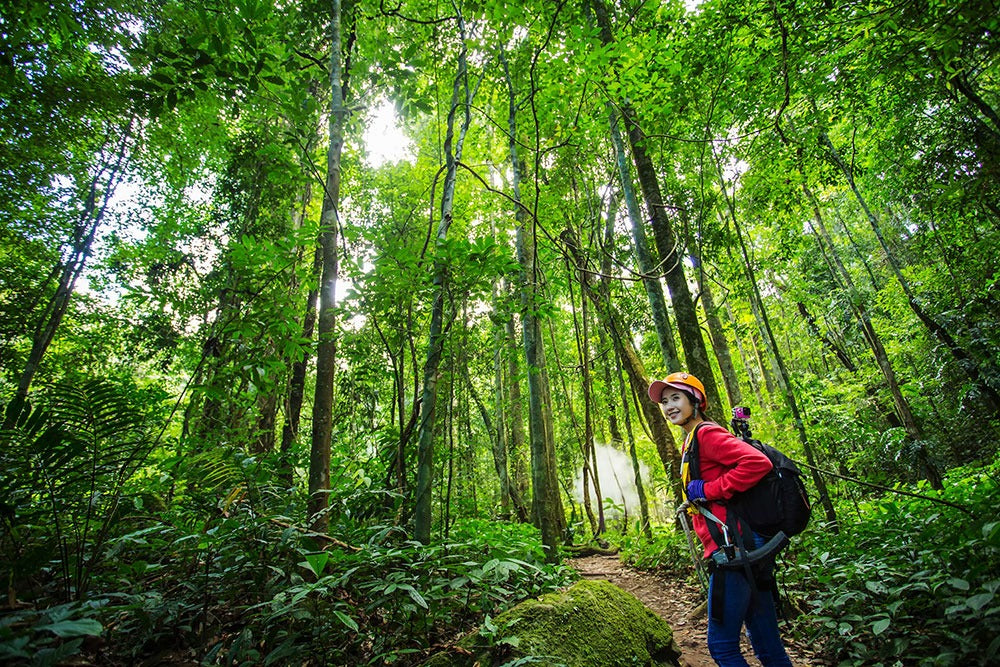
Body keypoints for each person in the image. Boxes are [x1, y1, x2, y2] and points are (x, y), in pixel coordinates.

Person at [649, 372, 793, 667]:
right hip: (746, 548)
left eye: (676, 398)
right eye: (664, 401)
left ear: (695, 401)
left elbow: (758, 463)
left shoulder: (706, 434)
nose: (669, 406)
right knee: (767, 645)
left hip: (735, 550)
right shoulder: (691, 440)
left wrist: (709, 490)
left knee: (722, 647)